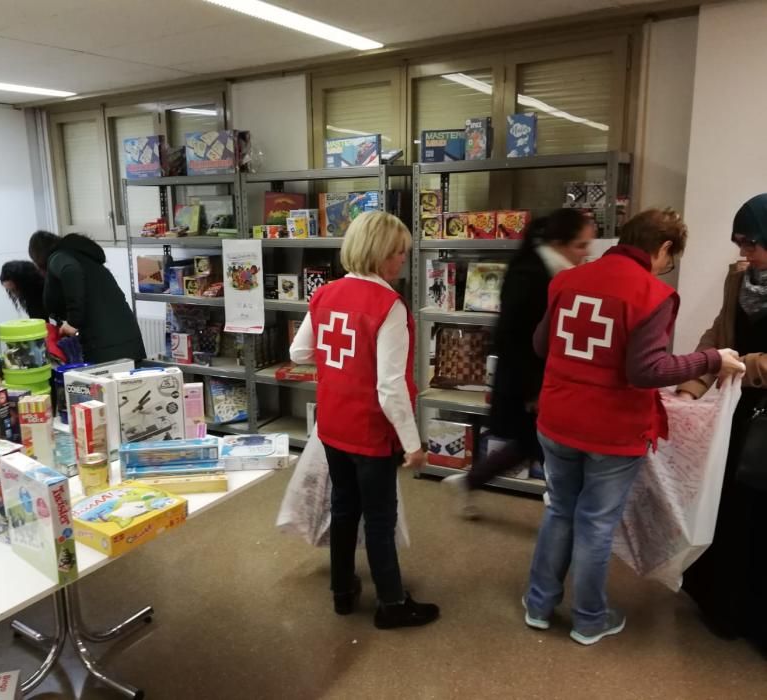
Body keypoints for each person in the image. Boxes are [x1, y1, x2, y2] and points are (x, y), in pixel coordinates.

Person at [522, 208, 745, 646]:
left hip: (557, 419)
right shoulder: (653, 294)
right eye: (670, 259)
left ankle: (538, 605)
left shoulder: (569, 279)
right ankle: (590, 618)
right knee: (596, 523)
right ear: (663, 248)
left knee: (559, 509)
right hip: (612, 430)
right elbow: (646, 370)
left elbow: (540, 344)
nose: (666, 267)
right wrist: (711, 359)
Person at [289, 211, 439, 630]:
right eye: (399, 253)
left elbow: (301, 353)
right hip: (371, 433)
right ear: (380, 254)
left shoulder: (325, 294)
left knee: (343, 508)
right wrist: (412, 444)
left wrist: (342, 363)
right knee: (378, 518)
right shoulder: (388, 305)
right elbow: (391, 387)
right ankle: (391, 602)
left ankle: (342, 589)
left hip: (333, 426)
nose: (403, 261)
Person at [444, 209, 594, 517]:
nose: (586, 253)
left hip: (539, 379)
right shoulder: (531, 274)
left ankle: (470, 481)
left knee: (528, 444)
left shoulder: (554, 270)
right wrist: (531, 391)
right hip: (525, 381)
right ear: (558, 242)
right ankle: (565, 510)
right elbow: (512, 337)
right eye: (580, 245)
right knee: (544, 446)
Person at [677, 194, 767, 649]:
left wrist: (743, 364)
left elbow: (737, 355)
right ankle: (723, 607)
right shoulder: (740, 280)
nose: (744, 254)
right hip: (741, 418)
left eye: (753, 244)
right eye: (741, 244)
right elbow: (719, 335)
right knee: (730, 509)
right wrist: (689, 386)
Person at [28, 231, 145, 365]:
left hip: (104, 348)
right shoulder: (84, 259)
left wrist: (73, 322)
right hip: (128, 340)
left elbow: (71, 271)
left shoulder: (58, 257)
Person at [0, 260, 67, 365]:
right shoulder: (31, 294)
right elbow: (40, 322)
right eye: (10, 291)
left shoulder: (44, 289)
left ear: (22, 283)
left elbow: (41, 323)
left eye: (14, 289)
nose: (15, 294)